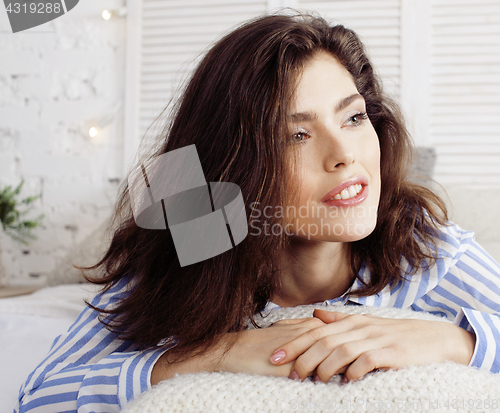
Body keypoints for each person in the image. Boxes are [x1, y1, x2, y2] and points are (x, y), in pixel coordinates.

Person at [15, 12, 500, 413]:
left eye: (353, 118)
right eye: (296, 135)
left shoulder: (428, 251)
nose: (344, 155)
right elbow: (38, 397)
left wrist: (448, 341)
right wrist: (221, 351)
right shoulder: (191, 255)